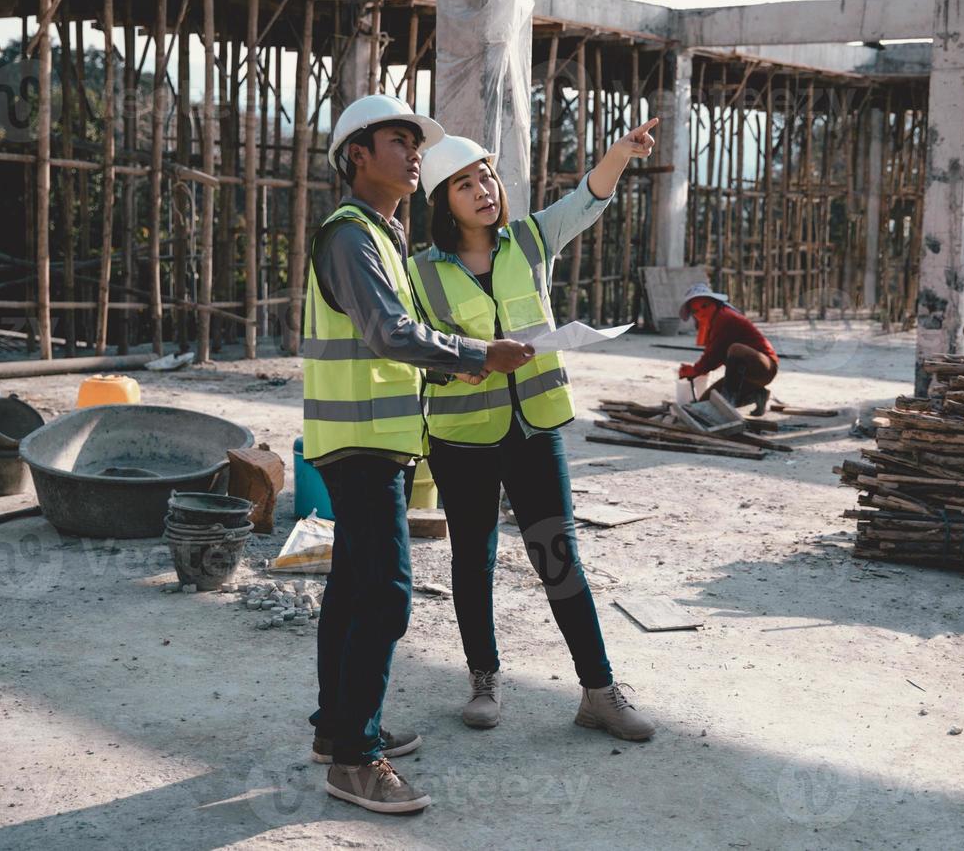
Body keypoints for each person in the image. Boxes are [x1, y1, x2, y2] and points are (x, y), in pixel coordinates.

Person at [302, 94, 535, 814]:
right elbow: (388, 333)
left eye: (415, 142)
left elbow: (401, 347)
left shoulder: (382, 236)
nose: (412, 153)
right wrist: (475, 353)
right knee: (387, 593)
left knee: (350, 587)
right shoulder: (351, 236)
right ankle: (355, 760)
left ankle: (336, 728)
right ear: (357, 156)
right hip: (360, 444)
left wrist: (458, 363)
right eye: (396, 141)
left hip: (379, 441)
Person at [404, 119, 662, 743]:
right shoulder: (420, 272)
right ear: (443, 202)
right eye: (464, 184)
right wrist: (458, 367)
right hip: (462, 436)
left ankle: (598, 691)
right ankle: (484, 679)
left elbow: (585, 201)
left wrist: (620, 154)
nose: (483, 189)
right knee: (473, 558)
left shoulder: (528, 240)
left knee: (558, 555)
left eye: (487, 176)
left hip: (534, 426)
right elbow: (413, 349)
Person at [677, 283, 779, 416]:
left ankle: (729, 402)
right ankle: (756, 395)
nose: (701, 313)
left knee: (736, 349)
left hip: (764, 368)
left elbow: (714, 354)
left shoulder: (725, 318)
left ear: (715, 303)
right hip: (746, 375)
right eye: (696, 311)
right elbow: (716, 355)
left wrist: (696, 370)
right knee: (705, 403)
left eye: (704, 306)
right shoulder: (713, 322)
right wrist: (697, 370)